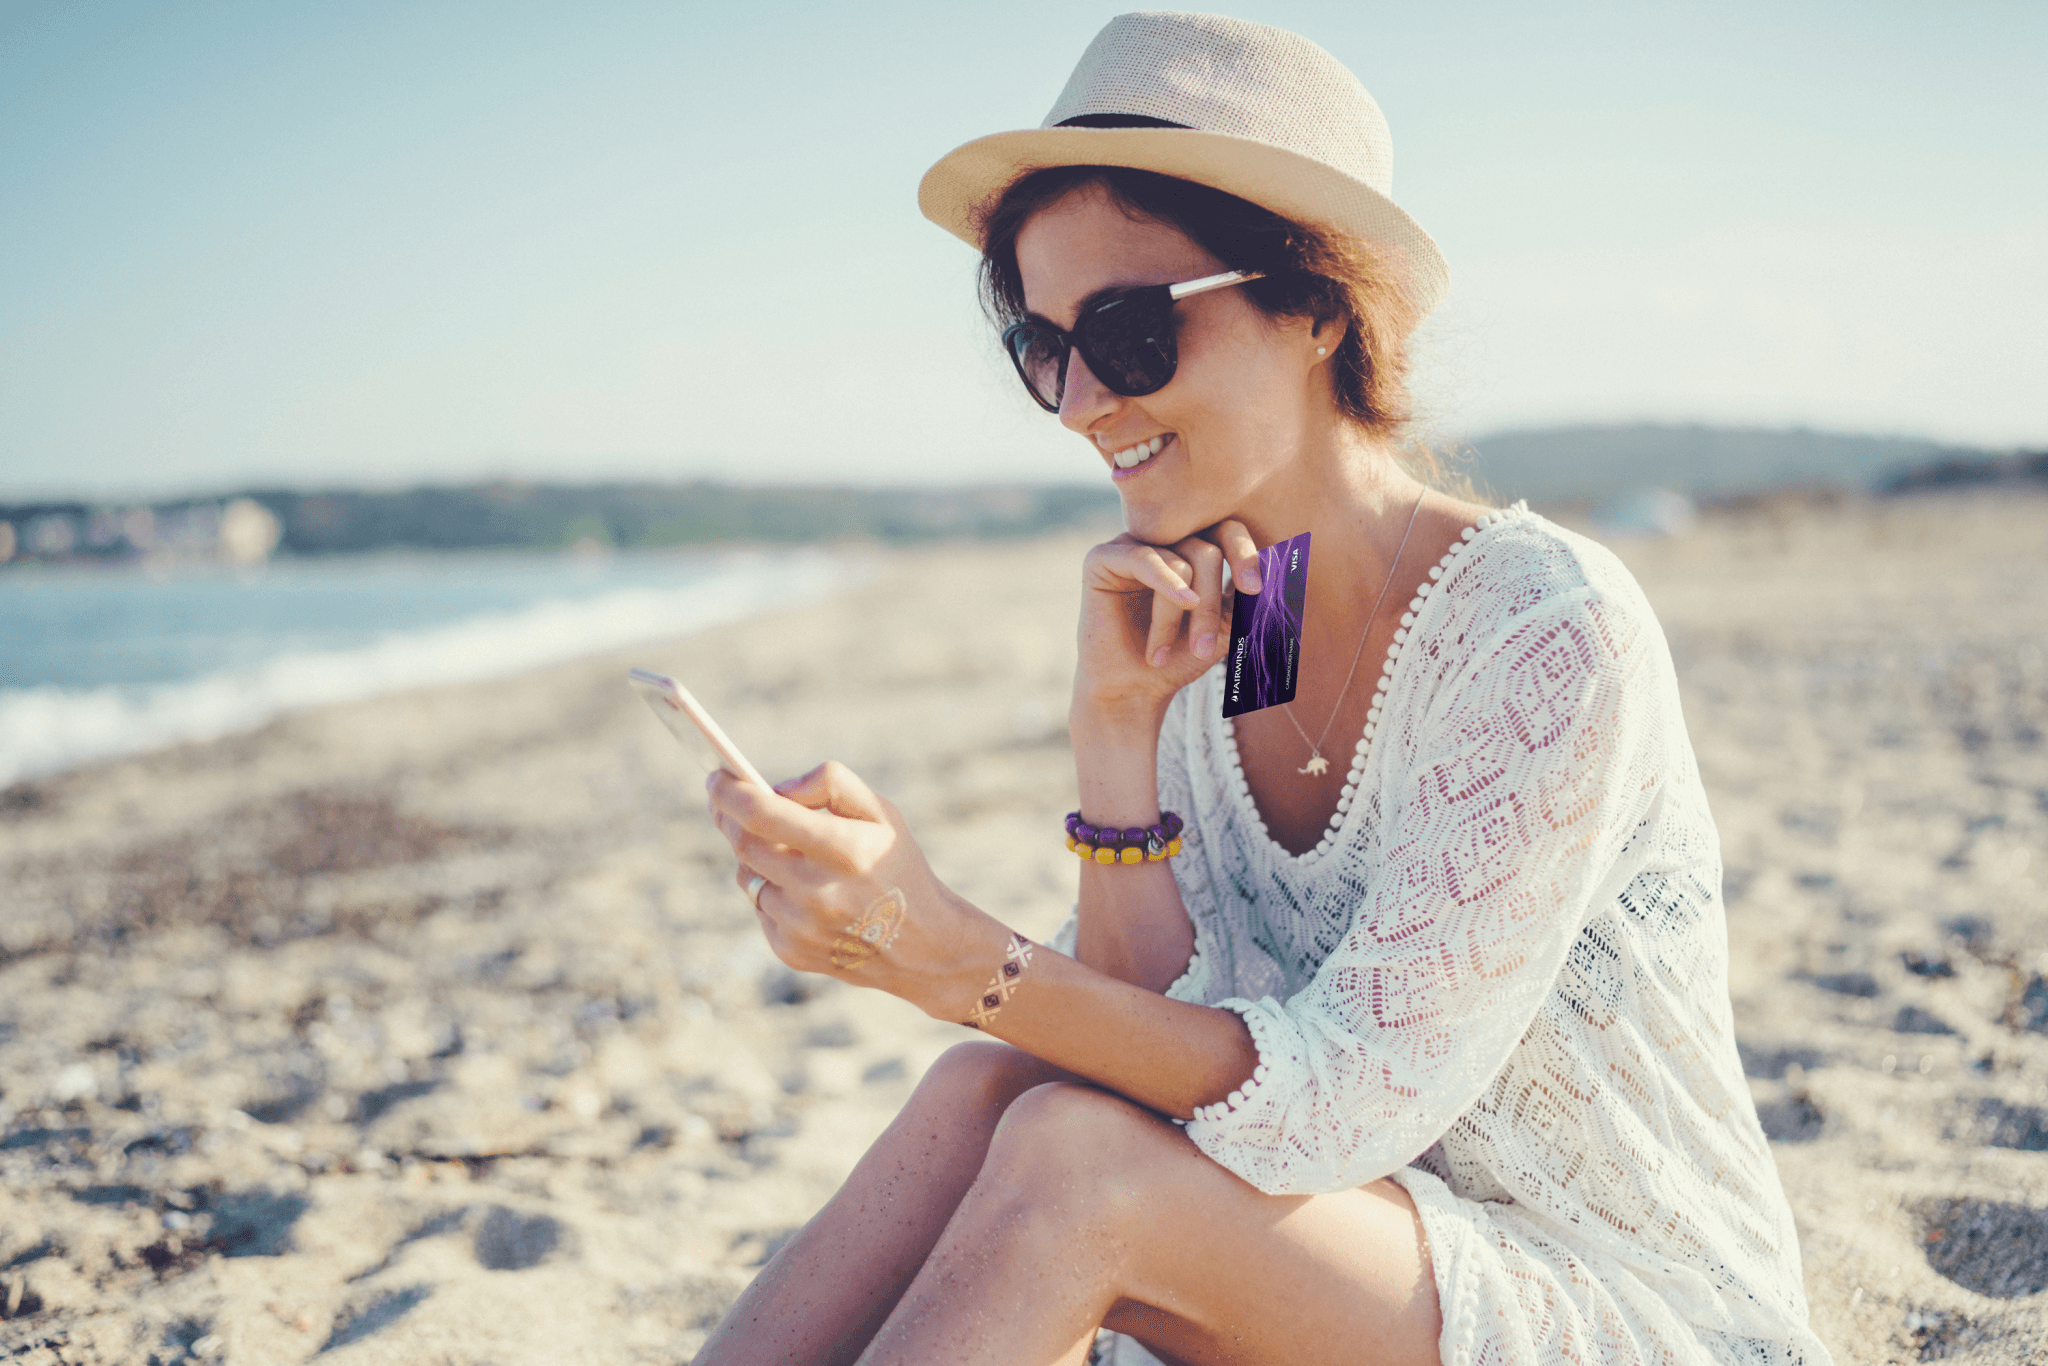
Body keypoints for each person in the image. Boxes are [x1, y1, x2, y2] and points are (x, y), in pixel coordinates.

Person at [696, 13, 1830, 1365]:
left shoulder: (1543, 630)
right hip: (1332, 1259)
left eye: (1123, 330)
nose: (1075, 404)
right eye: (1042, 347)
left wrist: (953, 953)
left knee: (1071, 1156)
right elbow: (1126, 1032)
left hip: (1617, 1302)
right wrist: (1113, 733)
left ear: (1315, 305)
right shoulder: (1254, 615)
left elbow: (1342, 1091)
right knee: (988, 1088)